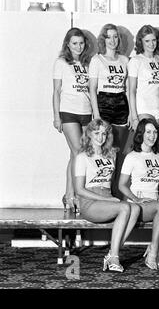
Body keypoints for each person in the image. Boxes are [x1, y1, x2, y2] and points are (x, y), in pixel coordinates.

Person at [74, 119, 140, 273]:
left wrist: (111, 198)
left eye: (104, 133)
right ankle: (115, 257)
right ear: (89, 134)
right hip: (90, 202)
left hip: (107, 199)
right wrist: (107, 199)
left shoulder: (111, 155)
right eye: (97, 133)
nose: (100, 137)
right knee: (124, 208)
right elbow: (79, 189)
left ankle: (111, 253)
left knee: (135, 209)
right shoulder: (82, 157)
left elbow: (112, 183)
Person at [118, 117, 159, 269]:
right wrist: (136, 199)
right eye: (148, 132)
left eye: (155, 132)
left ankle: (153, 246)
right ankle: (153, 254)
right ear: (141, 134)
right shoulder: (132, 157)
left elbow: (158, 185)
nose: (152, 136)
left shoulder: (158, 157)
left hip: (154, 203)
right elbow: (122, 185)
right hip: (139, 205)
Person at [52, 27, 92, 212]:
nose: (78, 46)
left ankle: (68, 195)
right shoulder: (61, 62)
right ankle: (74, 194)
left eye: (81, 43)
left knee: (75, 155)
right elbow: (56, 91)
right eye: (74, 43)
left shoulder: (87, 62)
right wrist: (56, 116)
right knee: (78, 152)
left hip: (86, 112)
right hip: (68, 112)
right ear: (68, 44)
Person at [89, 23, 130, 198]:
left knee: (118, 150)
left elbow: (127, 88)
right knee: (105, 148)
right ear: (103, 39)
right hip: (104, 103)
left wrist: (130, 112)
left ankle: (116, 190)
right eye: (109, 37)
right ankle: (101, 190)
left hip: (121, 103)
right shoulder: (97, 60)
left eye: (115, 37)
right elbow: (92, 89)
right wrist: (97, 114)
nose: (112, 40)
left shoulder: (124, 60)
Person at [128, 25, 159, 130]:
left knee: (156, 145)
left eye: (154, 40)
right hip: (143, 109)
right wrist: (134, 117)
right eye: (147, 41)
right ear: (141, 42)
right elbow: (131, 91)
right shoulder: (136, 61)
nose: (151, 44)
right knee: (143, 145)